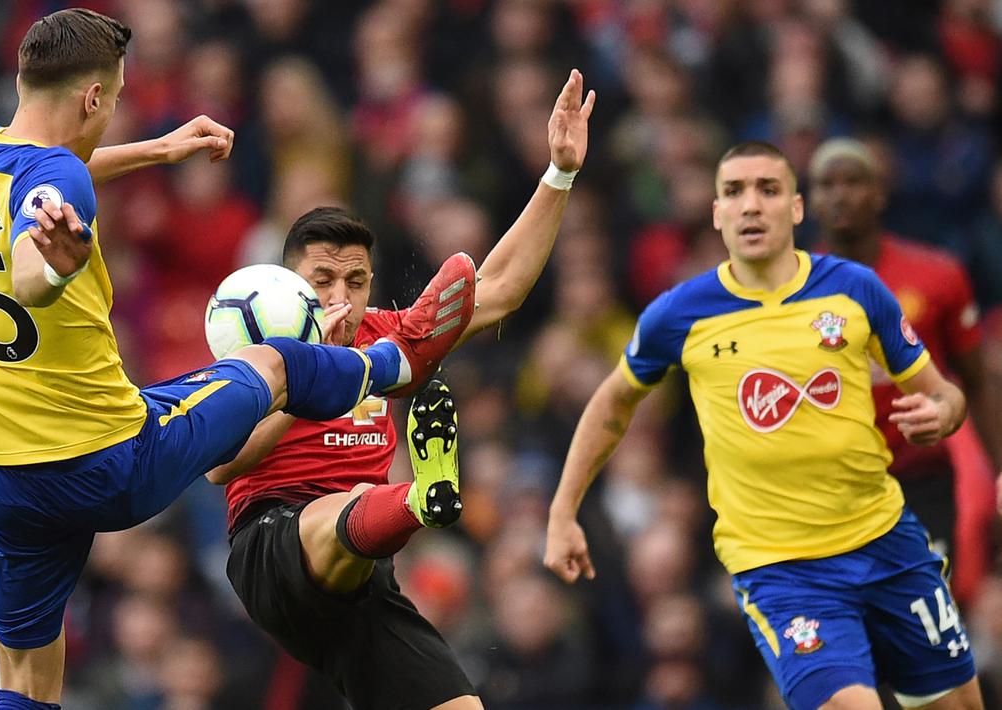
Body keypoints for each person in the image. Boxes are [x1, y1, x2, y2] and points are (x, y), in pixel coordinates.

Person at [0, 9, 476, 709]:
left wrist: (157, 150)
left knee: (25, 678)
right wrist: (54, 270)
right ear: (93, 98)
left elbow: (52, 175)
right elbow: (28, 270)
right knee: (277, 362)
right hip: (103, 459)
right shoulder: (56, 187)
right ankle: (393, 364)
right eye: (116, 99)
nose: (114, 113)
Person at [544, 141, 985, 710]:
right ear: (717, 214)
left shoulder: (855, 289)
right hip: (784, 572)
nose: (750, 205)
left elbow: (944, 392)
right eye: (734, 192)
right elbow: (612, 404)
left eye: (768, 190)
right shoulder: (679, 314)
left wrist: (943, 413)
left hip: (886, 543)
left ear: (797, 208)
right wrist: (562, 511)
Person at [207, 71, 596, 710]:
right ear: (288, 281)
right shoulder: (259, 350)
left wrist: (558, 174)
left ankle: (415, 501)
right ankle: (418, 500)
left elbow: (500, 291)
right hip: (274, 547)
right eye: (323, 279)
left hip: (365, 577)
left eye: (356, 281)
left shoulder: (390, 341)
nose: (341, 295)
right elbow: (220, 466)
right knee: (353, 502)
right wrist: (317, 372)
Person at [808, 137, 1001, 571]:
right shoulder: (787, 293)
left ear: (879, 193)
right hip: (831, 489)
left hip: (920, 479)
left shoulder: (938, 276)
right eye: (826, 185)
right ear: (809, 201)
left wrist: (999, 470)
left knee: (927, 603)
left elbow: (977, 381)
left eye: (853, 182)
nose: (840, 195)